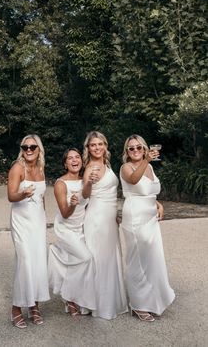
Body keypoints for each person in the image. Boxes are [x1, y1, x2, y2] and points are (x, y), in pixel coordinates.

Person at [120, 134, 175, 322]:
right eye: (131, 148)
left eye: (139, 147)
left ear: (144, 149)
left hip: (150, 217)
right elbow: (134, 181)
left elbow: (149, 191)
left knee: (152, 259)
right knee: (137, 260)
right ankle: (138, 304)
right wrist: (146, 160)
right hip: (135, 217)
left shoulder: (150, 166)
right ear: (127, 152)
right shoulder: (126, 167)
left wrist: (159, 204)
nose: (135, 151)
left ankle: (153, 300)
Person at [82, 131, 128, 320]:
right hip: (97, 219)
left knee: (110, 258)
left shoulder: (106, 164)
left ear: (105, 146)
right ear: (88, 148)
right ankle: (100, 304)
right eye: (93, 145)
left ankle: (109, 300)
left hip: (109, 218)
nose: (97, 147)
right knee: (100, 259)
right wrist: (88, 184)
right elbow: (85, 194)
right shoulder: (90, 168)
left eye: (100, 144)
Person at [8, 134, 50, 329]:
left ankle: (34, 306)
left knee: (39, 262)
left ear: (39, 149)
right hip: (21, 221)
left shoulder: (41, 169)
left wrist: (44, 218)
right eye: (25, 147)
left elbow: (42, 197)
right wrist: (22, 194)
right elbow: (10, 195)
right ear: (22, 149)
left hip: (38, 221)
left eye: (33, 146)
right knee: (25, 262)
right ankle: (16, 308)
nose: (29, 150)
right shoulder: (18, 168)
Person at [48, 148, 96, 316]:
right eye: (70, 158)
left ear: (81, 161)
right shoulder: (61, 183)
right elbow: (65, 213)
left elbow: (91, 205)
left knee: (79, 261)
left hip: (81, 228)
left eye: (77, 157)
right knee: (86, 258)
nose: (74, 160)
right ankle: (68, 297)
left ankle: (77, 298)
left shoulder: (85, 181)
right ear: (65, 163)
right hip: (66, 228)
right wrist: (73, 204)